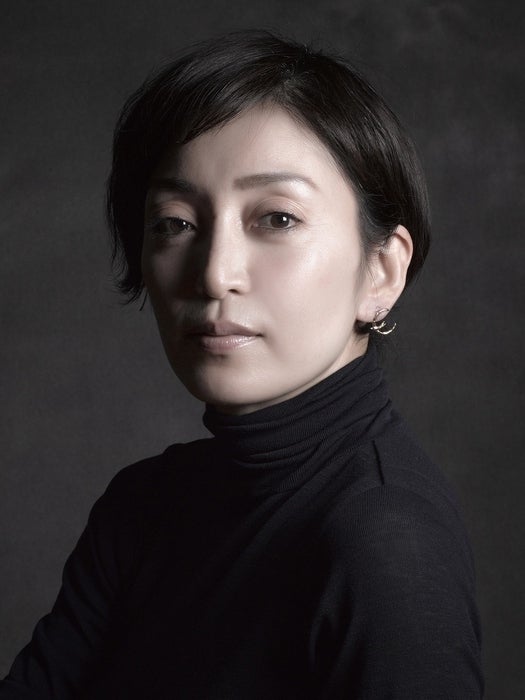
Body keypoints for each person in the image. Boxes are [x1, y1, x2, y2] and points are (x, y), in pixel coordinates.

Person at [1, 30, 483, 699]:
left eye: (276, 219)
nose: (213, 273)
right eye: (175, 223)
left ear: (381, 271)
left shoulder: (387, 543)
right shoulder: (142, 506)